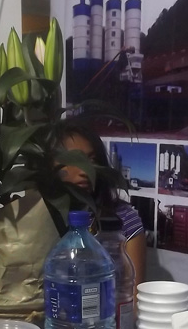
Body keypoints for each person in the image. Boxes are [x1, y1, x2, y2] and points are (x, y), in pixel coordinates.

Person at [53, 121, 147, 287]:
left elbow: (132, 294)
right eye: (74, 160)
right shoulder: (38, 219)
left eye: (92, 159)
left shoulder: (124, 219)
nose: (85, 170)